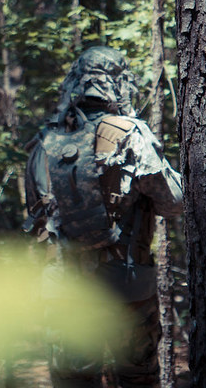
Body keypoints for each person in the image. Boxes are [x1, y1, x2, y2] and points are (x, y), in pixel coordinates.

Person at [24, 46, 183, 388]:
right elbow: (173, 203)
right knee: (137, 378)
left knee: (74, 380)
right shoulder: (130, 133)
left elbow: (35, 215)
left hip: (65, 288)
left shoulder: (45, 142)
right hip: (125, 285)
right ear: (119, 84)